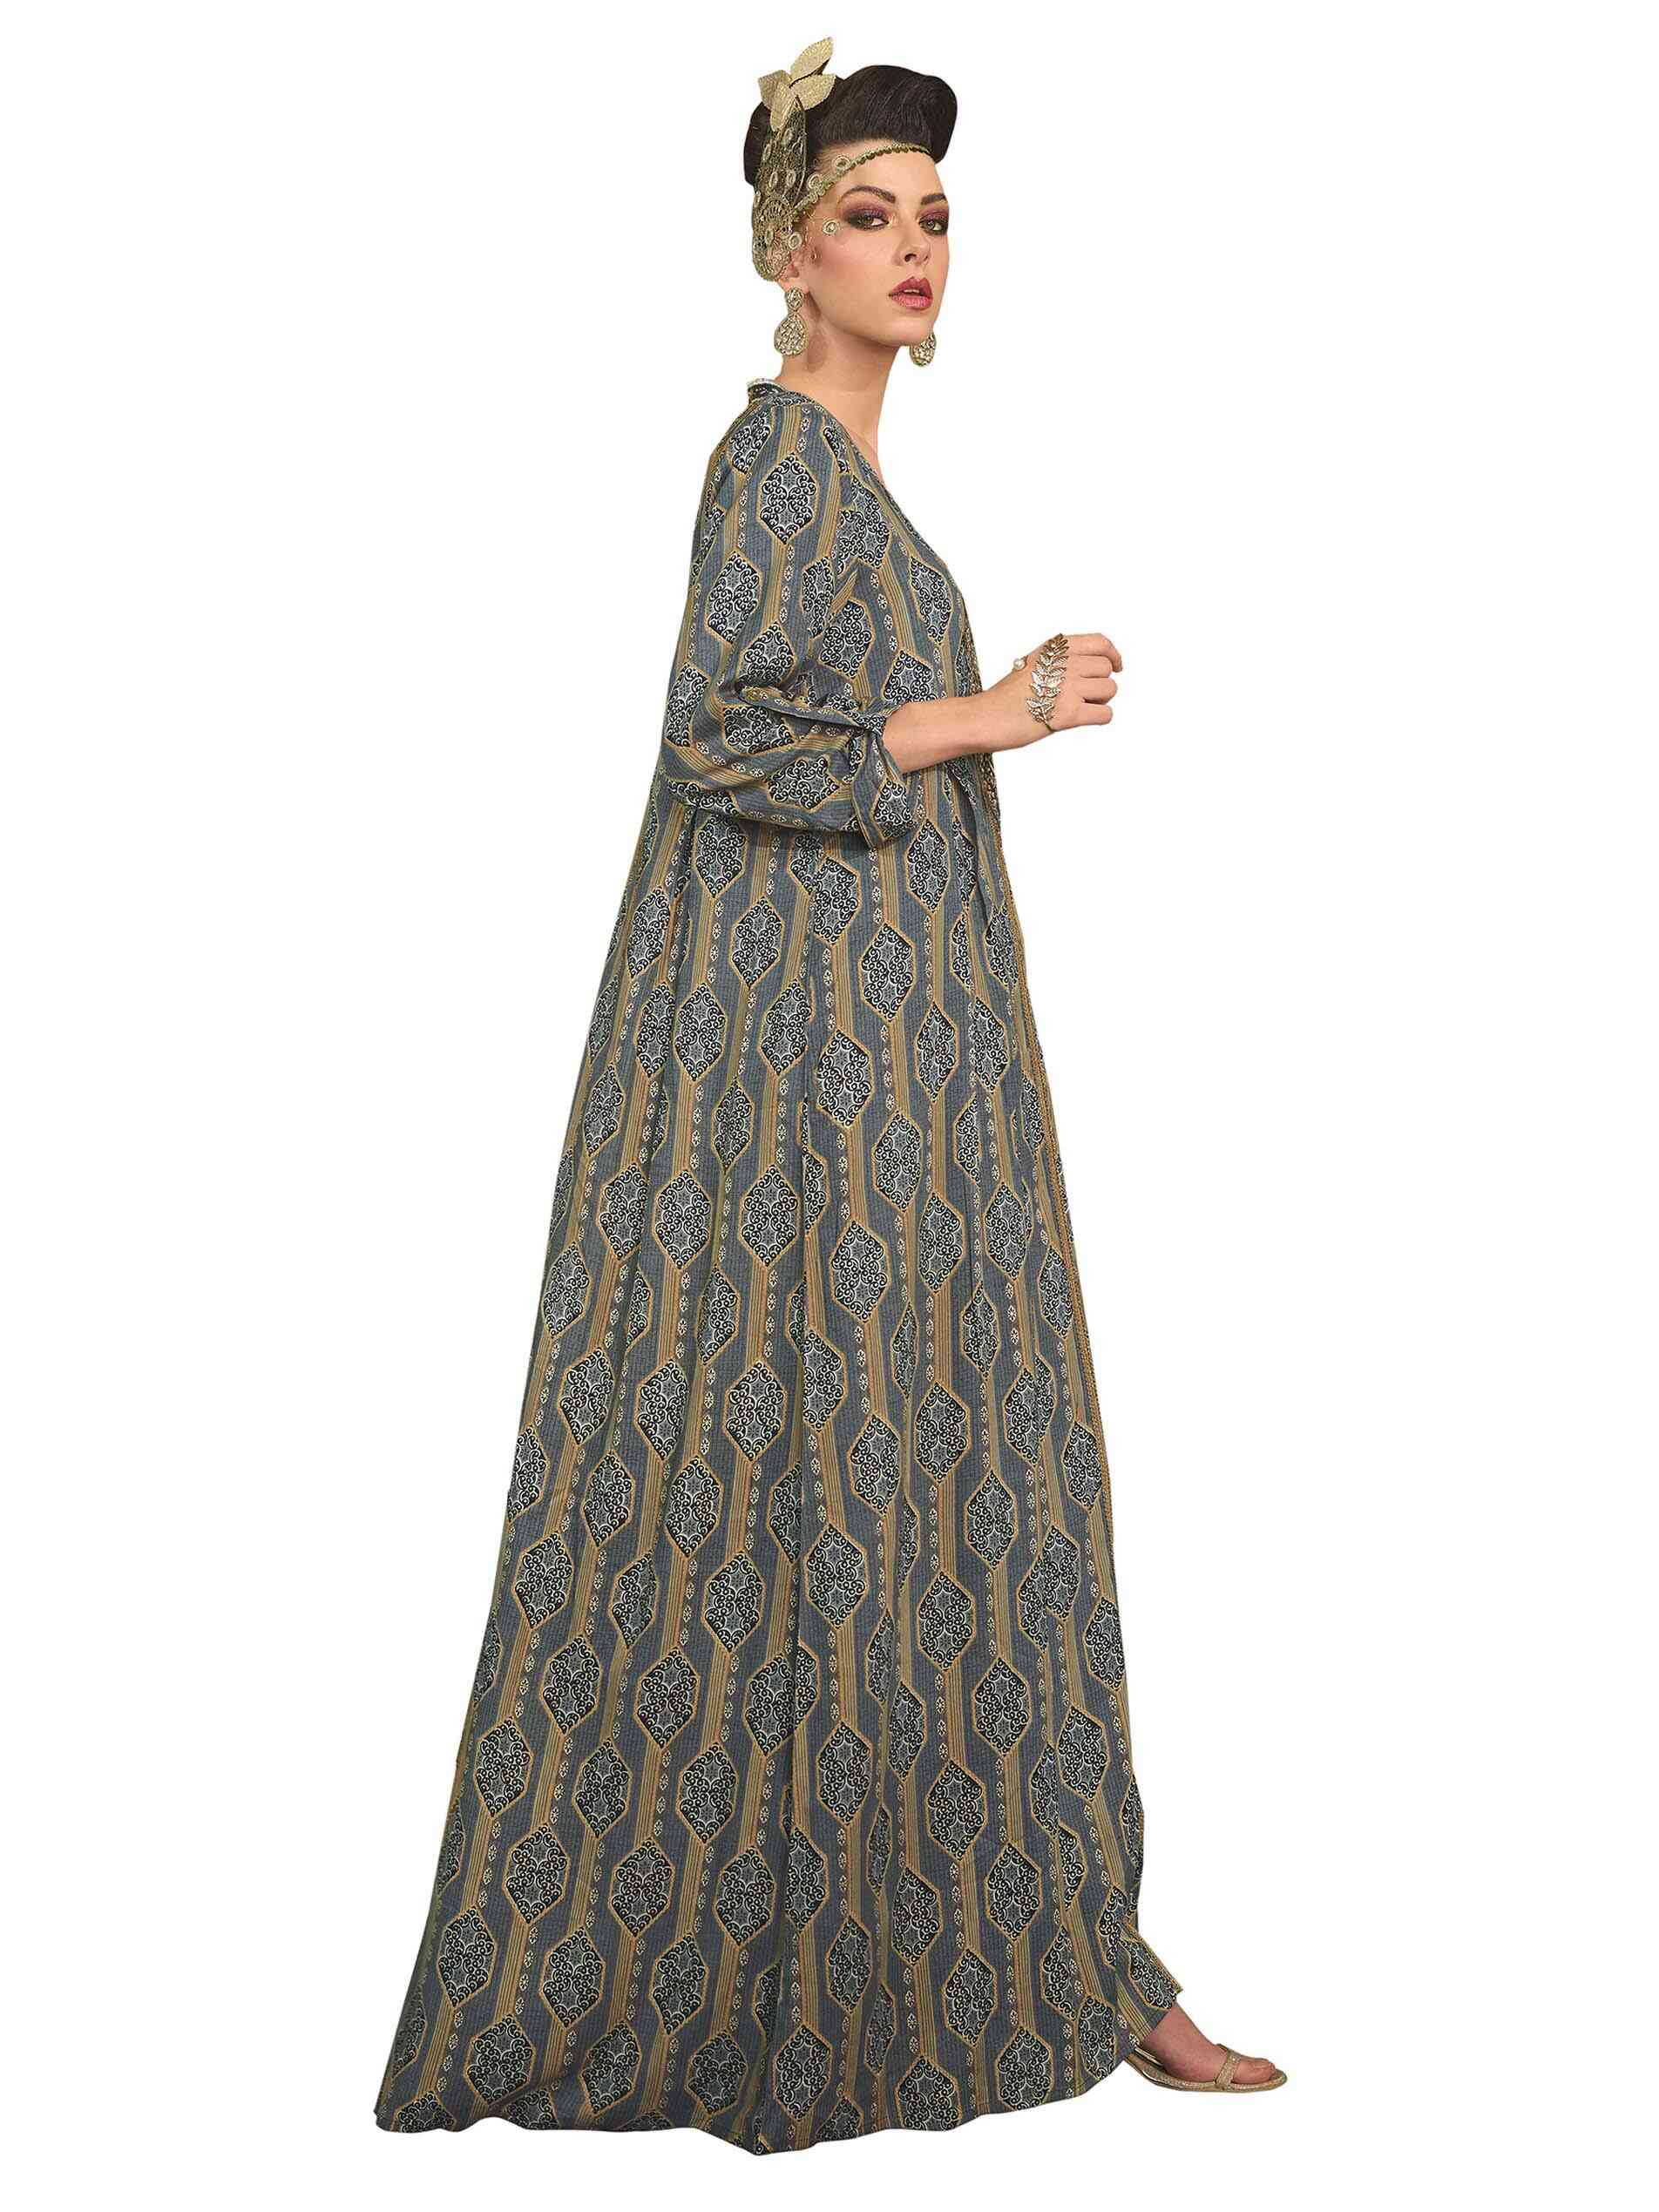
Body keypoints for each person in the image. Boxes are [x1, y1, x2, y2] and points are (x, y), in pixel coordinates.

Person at [372, 33, 1284, 2153]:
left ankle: (1058, 1948)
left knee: (954, 1460)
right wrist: (989, 710)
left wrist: (974, 714)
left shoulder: (846, 480)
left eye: (934, 216)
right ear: (788, 249)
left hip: (890, 1049)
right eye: (867, 214)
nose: (912, 248)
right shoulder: (776, 464)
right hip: (799, 1071)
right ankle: (878, 1976)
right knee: (834, 1460)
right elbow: (726, 735)